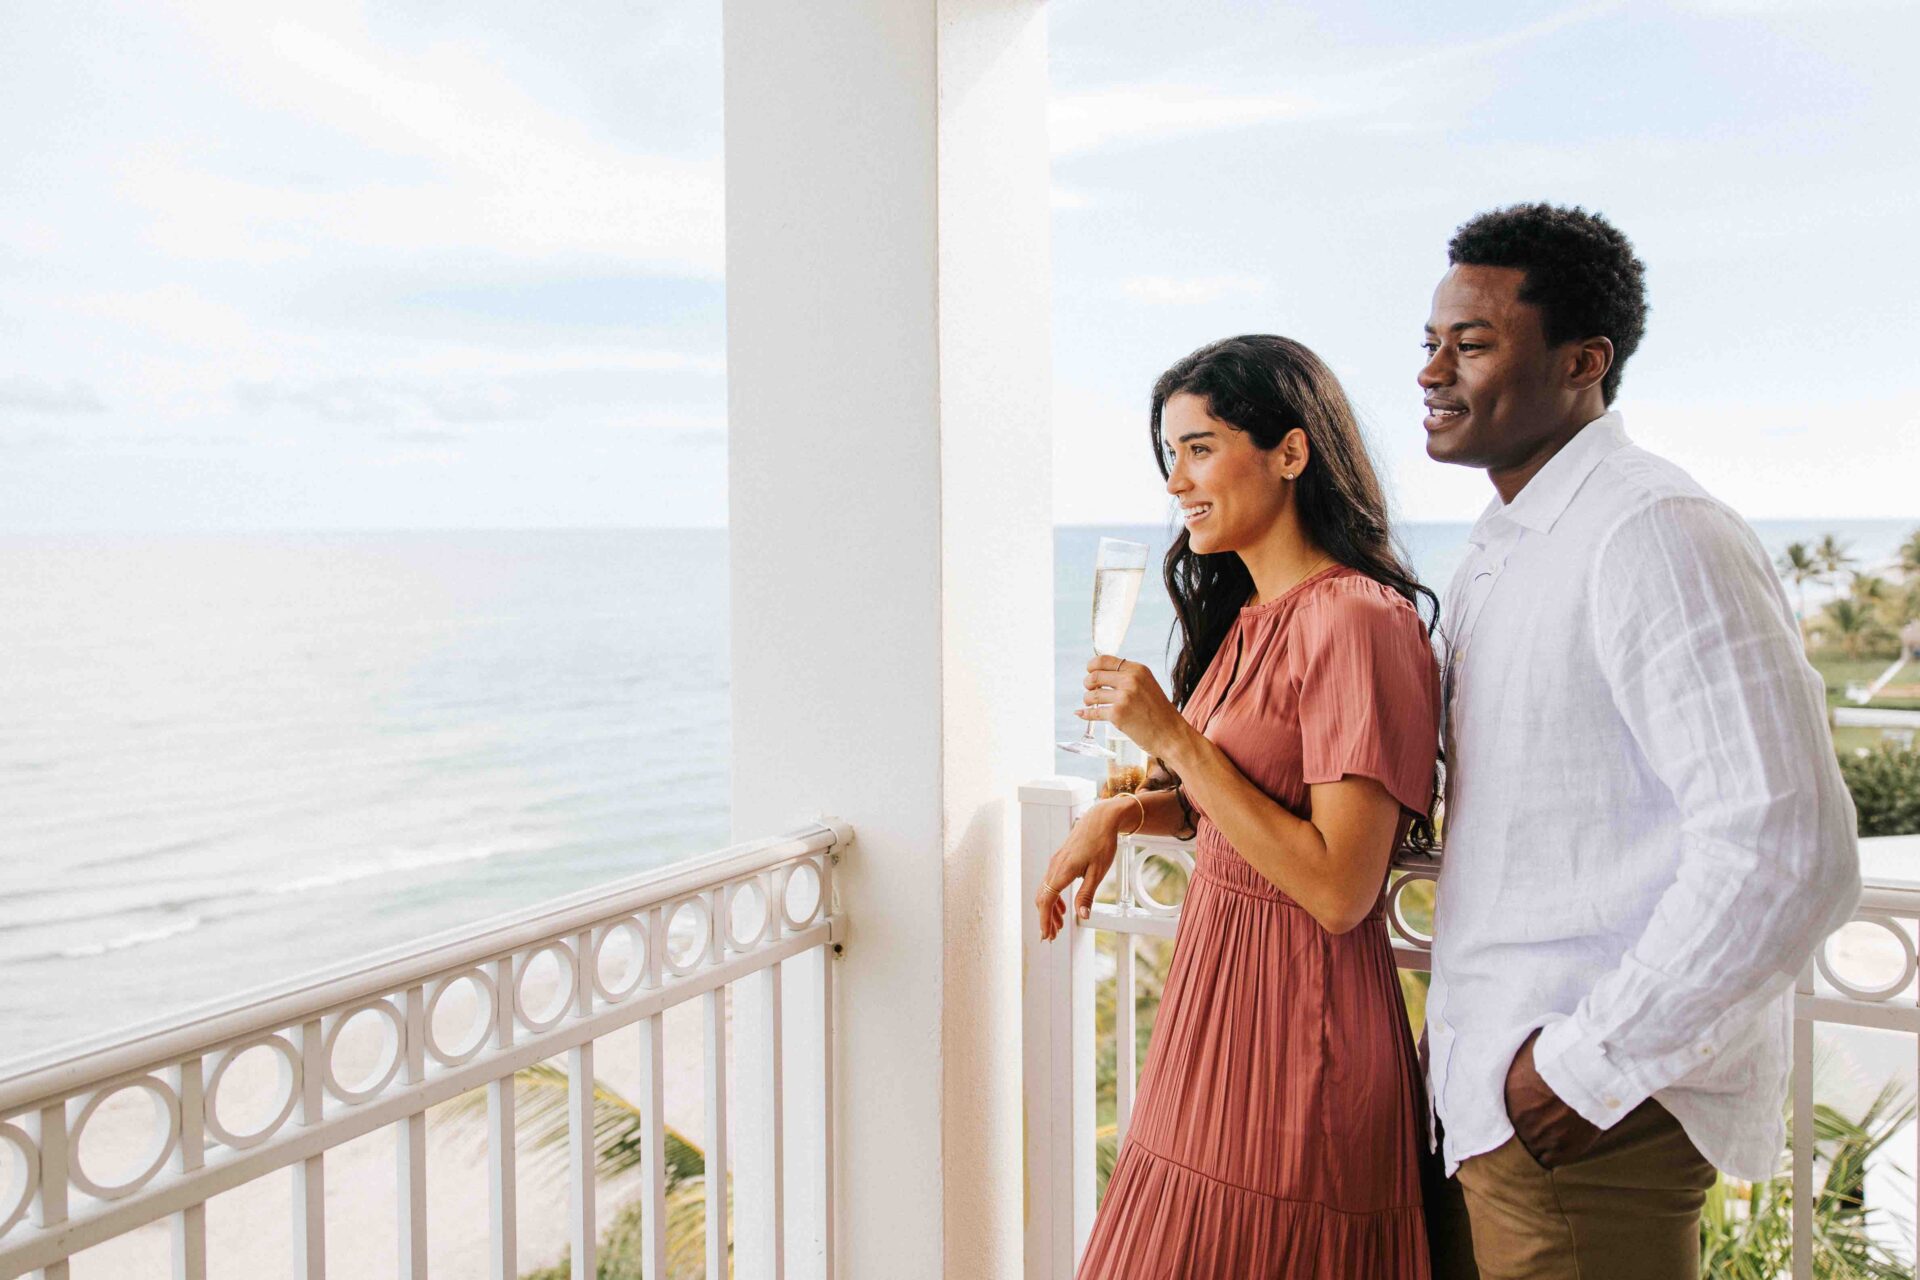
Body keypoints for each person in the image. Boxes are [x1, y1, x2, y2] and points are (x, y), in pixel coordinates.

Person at [1417, 203, 1862, 1279]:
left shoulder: (1652, 528)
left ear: (1583, 360)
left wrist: (1581, 1068)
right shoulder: (1505, 547)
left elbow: (1788, 844)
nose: (1433, 371)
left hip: (1583, 1126)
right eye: (1428, 343)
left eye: (1471, 344)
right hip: (1483, 1101)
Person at [1036, 335, 1444, 1277]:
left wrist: (1171, 736)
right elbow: (1240, 802)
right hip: (1213, 1010)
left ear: (1292, 453)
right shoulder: (1252, 617)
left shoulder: (1354, 619)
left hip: (1302, 1034)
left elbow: (1341, 886)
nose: (1177, 481)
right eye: (1169, 454)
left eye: (1200, 447)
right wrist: (1125, 814)